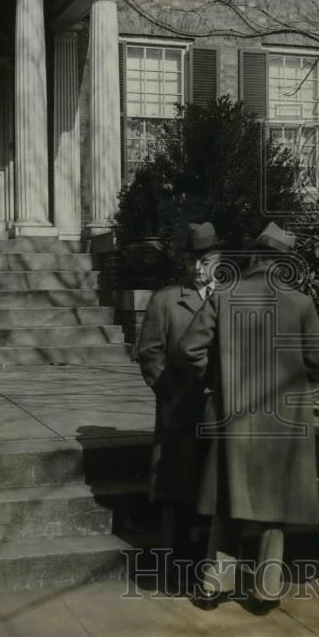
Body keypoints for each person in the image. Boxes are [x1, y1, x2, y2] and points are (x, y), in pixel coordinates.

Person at [172, 222, 319, 614]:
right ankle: (266, 588)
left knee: (229, 497)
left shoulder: (224, 295)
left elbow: (188, 350)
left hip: (233, 415)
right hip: (283, 418)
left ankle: (214, 584)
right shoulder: (301, 304)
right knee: (275, 506)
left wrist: (216, 380)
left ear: (255, 256)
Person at [137, 222, 222, 580]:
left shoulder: (230, 297)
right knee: (176, 488)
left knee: (212, 488)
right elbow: (150, 354)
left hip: (218, 411)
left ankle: (208, 559)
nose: (198, 268)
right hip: (179, 409)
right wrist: (172, 394)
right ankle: (173, 565)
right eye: (192, 261)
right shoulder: (166, 300)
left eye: (206, 261)